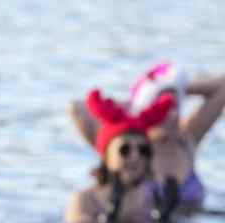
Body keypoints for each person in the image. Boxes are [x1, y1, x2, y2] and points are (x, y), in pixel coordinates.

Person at [69, 62, 225, 209]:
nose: (173, 115)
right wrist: (137, 99)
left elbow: (222, 86)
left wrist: (175, 85)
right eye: (163, 108)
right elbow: (77, 107)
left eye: (175, 106)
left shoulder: (186, 138)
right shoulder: (129, 149)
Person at [64, 90, 175, 223]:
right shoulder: (84, 199)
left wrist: (164, 220)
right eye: (125, 150)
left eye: (143, 150)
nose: (135, 157)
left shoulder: (151, 199)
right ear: (105, 156)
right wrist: (110, 216)